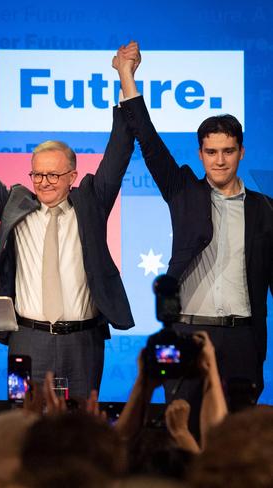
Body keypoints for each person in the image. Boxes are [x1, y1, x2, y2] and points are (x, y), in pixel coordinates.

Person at [0, 45, 138, 398]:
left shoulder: (91, 204)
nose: (43, 183)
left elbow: (119, 148)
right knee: (22, 427)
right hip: (26, 341)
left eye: (53, 176)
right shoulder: (16, 205)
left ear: (73, 175)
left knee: (81, 432)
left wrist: (126, 77)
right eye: (37, 175)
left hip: (84, 343)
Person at [116, 43, 273, 424]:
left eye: (228, 151)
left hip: (241, 338)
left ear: (241, 152)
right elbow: (151, 145)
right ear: (200, 154)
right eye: (211, 151)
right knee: (181, 433)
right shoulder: (183, 191)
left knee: (235, 441)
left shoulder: (265, 208)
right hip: (187, 332)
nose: (220, 160)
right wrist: (127, 77)